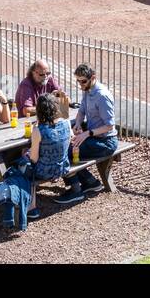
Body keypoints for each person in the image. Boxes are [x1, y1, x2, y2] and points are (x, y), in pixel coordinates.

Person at [57, 64, 118, 204]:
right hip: (94, 137)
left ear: (93, 78)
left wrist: (87, 134)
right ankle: (90, 182)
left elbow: (109, 126)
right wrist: (78, 124)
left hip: (106, 142)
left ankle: (75, 190)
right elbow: (81, 111)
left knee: (66, 152)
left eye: (83, 81)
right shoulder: (87, 90)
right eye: (78, 81)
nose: (80, 84)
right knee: (67, 146)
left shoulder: (102, 96)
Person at [18, 93, 71, 221]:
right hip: (63, 167)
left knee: (23, 165)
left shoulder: (38, 130)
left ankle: (31, 207)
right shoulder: (66, 123)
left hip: (45, 171)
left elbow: (34, 159)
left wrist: (26, 153)